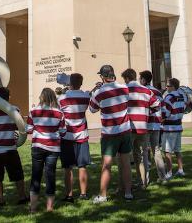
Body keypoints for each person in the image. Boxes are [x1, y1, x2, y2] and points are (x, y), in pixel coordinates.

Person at [89, 64, 133, 203]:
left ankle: (103, 195)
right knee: (126, 164)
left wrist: (96, 91)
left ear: (102, 76)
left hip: (109, 134)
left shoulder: (99, 92)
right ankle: (128, 193)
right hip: (125, 131)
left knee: (106, 165)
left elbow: (92, 109)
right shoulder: (124, 88)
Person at [26, 88, 66, 213]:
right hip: (53, 147)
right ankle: (49, 208)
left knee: (36, 176)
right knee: (50, 176)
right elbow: (63, 132)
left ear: (41, 97)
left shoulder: (33, 111)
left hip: (37, 146)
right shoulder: (59, 113)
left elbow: (28, 130)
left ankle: (33, 208)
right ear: (53, 97)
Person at [122, 68, 160, 189]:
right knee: (141, 156)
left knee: (125, 157)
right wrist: (146, 113)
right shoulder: (147, 90)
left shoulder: (124, 90)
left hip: (129, 127)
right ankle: (143, 182)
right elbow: (157, 105)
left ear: (127, 78)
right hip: (143, 127)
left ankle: (126, 184)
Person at [58, 73, 91, 202]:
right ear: (81, 83)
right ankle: (83, 194)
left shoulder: (62, 98)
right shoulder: (85, 96)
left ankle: (69, 195)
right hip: (82, 135)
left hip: (67, 136)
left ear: (70, 83)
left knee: (68, 168)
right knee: (82, 166)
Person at [139, 70, 167, 183]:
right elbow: (163, 108)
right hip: (157, 124)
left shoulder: (143, 91)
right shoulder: (158, 91)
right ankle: (163, 177)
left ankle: (145, 180)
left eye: (140, 78)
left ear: (143, 80)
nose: (139, 80)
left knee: (144, 151)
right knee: (156, 150)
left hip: (146, 123)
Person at [161, 78, 187, 180]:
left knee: (167, 151)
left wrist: (161, 119)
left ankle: (169, 173)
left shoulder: (169, 97)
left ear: (173, 87)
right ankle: (181, 170)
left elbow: (165, 113)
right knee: (177, 150)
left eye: (168, 86)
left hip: (169, 127)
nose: (166, 87)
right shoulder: (181, 96)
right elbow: (184, 109)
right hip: (178, 126)